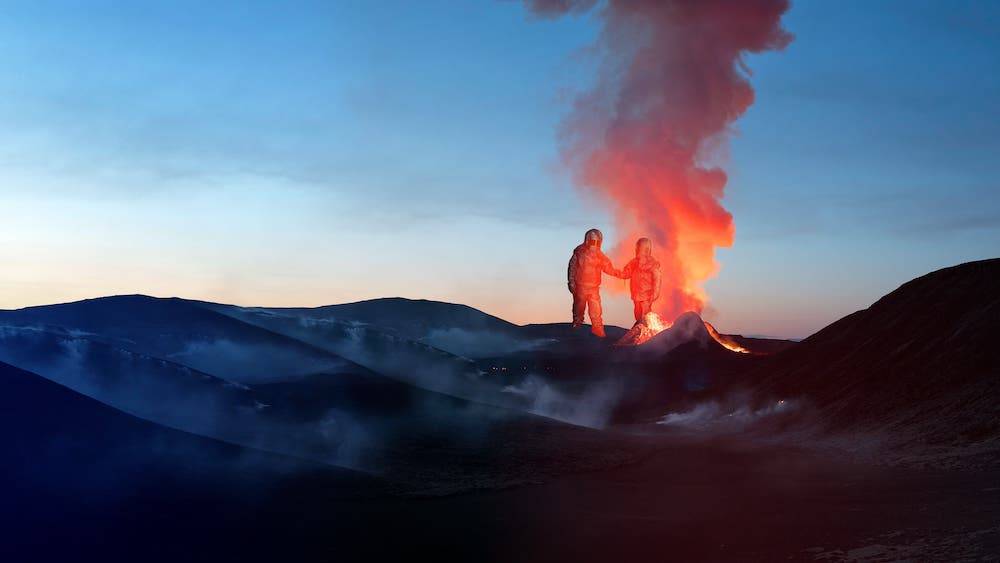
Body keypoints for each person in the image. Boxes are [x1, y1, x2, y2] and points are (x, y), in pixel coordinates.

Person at [567, 228, 621, 337]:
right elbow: (572, 268)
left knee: (596, 310)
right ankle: (577, 326)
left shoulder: (600, 256)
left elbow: (608, 267)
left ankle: (597, 329)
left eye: (596, 242)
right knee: (579, 307)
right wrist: (571, 282)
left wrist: (617, 273)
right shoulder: (579, 253)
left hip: (594, 288)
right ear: (587, 241)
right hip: (580, 286)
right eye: (592, 241)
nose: (594, 245)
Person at [620, 237, 662, 323]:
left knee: (645, 314)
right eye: (638, 248)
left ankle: (646, 330)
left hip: (646, 294)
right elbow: (626, 273)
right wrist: (617, 273)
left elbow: (657, 278)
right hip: (636, 295)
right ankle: (640, 327)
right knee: (638, 314)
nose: (638, 250)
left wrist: (655, 293)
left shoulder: (652, 264)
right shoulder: (634, 262)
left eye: (640, 248)